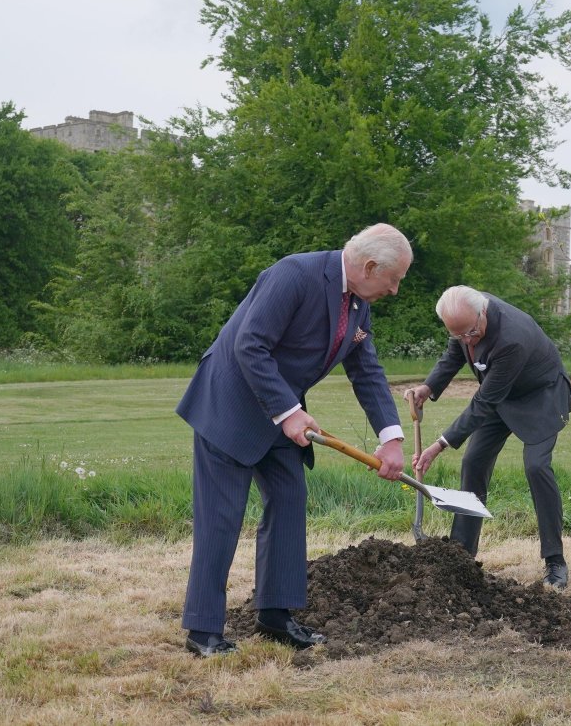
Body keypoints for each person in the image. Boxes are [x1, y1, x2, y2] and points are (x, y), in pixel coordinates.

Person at [176, 224, 413, 657]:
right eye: (394, 279)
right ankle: (203, 629)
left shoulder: (358, 304)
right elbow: (251, 344)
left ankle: (275, 615)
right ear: (370, 265)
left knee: (288, 503)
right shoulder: (295, 274)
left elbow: (367, 371)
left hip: (284, 414)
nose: (395, 290)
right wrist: (288, 411)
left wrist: (391, 437)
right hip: (230, 404)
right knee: (221, 518)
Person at [405, 286, 571, 589]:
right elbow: (453, 355)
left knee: (536, 467)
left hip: (540, 396)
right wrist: (428, 387)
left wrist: (440, 444)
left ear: (483, 313)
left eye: (471, 333)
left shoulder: (512, 338)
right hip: (501, 396)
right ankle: (461, 556)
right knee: (473, 462)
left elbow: (483, 402)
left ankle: (555, 561)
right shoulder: (464, 317)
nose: (467, 340)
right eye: (459, 335)